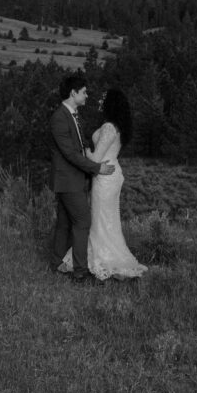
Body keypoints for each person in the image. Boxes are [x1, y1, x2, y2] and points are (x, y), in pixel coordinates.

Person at [61, 87, 147, 282]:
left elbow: (96, 158)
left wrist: (82, 149)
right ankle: (105, 256)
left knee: (100, 219)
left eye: (103, 97)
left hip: (105, 177)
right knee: (108, 219)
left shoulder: (108, 127)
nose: (99, 99)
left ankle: (102, 259)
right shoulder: (116, 126)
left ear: (111, 103)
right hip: (110, 174)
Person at [48, 73, 115, 284]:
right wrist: (97, 168)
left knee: (65, 223)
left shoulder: (74, 115)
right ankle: (80, 273)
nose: (87, 96)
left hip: (73, 179)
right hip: (68, 180)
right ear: (73, 93)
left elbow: (80, 146)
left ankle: (56, 263)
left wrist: (89, 151)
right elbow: (70, 154)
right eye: (84, 92)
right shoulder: (59, 117)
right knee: (83, 220)